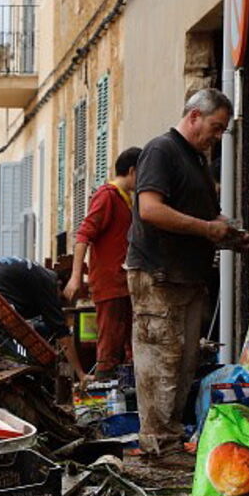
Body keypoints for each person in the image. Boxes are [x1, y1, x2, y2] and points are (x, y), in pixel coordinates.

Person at [126, 88, 249, 458]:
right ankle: (158, 446)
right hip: (159, 277)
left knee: (181, 366)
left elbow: (199, 218)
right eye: (214, 127)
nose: (217, 137)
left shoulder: (194, 160)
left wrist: (225, 233)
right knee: (162, 365)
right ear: (193, 116)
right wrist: (206, 229)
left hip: (186, 279)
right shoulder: (162, 151)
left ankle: (168, 443)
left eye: (222, 130)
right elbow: (150, 210)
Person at [64, 147, 141, 379]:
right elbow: (83, 235)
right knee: (109, 348)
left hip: (123, 284)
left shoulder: (126, 200)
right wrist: (76, 277)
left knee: (126, 348)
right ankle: (101, 400)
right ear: (132, 171)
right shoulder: (107, 196)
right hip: (110, 284)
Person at [0, 256, 91, 386]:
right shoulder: (48, 283)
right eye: (61, 299)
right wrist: (80, 374)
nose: (58, 304)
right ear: (59, 285)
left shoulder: (38, 274)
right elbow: (62, 334)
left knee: (36, 328)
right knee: (14, 352)